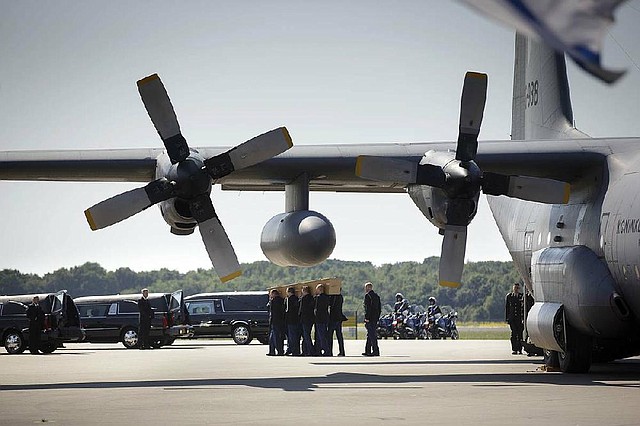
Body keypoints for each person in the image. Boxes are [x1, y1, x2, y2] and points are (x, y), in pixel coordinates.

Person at [505, 282, 525, 355]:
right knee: (514, 334)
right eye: (515, 288)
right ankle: (514, 349)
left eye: (517, 288)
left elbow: (523, 307)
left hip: (519, 319)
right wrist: (507, 318)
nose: (516, 289)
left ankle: (519, 349)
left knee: (520, 334)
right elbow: (507, 308)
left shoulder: (521, 296)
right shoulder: (509, 296)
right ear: (513, 288)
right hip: (512, 318)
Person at [363, 281, 381, 356]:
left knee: (372, 335)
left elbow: (368, 308)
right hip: (375, 318)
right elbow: (379, 308)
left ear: (368, 288)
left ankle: (375, 351)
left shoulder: (368, 296)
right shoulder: (376, 296)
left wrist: (367, 317)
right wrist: (377, 317)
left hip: (370, 318)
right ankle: (367, 350)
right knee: (370, 335)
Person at [314, 283, 331, 356]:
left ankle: (325, 350)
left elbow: (316, 309)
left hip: (319, 319)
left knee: (321, 336)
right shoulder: (327, 297)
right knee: (324, 335)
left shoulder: (318, 298)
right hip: (325, 318)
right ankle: (323, 350)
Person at [267, 289, 285, 356]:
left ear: (274, 294)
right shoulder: (282, 300)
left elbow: (269, 308)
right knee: (273, 337)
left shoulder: (274, 301)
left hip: (275, 321)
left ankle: (278, 351)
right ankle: (272, 351)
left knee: (276, 337)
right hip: (279, 321)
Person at [328, 289, 346, 356]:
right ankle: (342, 351)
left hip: (333, 318)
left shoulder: (334, 297)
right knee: (339, 336)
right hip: (339, 318)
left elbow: (331, 304)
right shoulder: (340, 296)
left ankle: (329, 351)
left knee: (330, 335)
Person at [298, 285, 315, 356]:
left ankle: (310, 350)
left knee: (306, 336)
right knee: (307, 335)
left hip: (305, 319)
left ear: (304, 291)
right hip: (310, 319)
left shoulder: (304, 299)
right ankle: (306, 350)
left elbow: (301, 310)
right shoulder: (312, 298)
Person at [284, 287, 301, 356]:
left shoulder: (289, 299)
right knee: (296, 337)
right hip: (297, 320)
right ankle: (296, 350)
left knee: (291, 337)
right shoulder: (297, 299)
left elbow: (288, 311)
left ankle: (293, 350)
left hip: (291, 321)